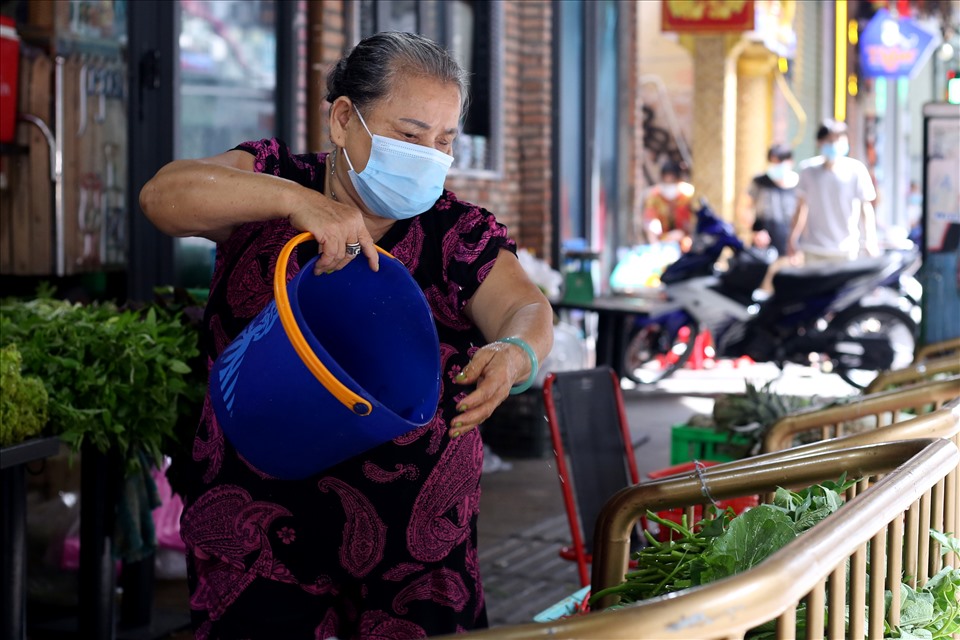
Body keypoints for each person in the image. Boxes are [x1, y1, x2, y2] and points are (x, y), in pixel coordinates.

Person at [140, 31, 554, 639]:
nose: (428, 155)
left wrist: (514, 355)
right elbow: (162, 195)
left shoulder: (457, 232)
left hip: (416, 548)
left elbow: (526, 308)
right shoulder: (274, 178)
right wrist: (294, 202)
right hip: (256, 525)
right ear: (342, 119)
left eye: (444, 141)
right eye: (410, 135)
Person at [787, 119, 879, 265]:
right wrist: (792, 238)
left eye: (839, 140)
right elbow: (800, 208)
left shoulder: (856, 170)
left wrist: (870, 240)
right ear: (819, 142)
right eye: (829, 140)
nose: (834, 145)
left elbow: (865, 208)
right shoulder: (808, 171)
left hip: (846, 249)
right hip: (814, 248)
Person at [737, 143, 798, 256]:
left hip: (788, 240)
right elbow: (743, 207)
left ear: (790, 162)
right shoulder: (760, 182)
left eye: (779, 162)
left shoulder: (797, 184)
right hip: (763, 241)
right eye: (773, 162)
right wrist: (754, 232)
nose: (776, 166)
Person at [639, 160, 696, 251]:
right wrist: (655, 244)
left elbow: (694, 221)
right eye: (666, 180)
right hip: (662, 241)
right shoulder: (654, 196)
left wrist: (684, 235)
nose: (669, 184)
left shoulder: (688, 194)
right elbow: (649, 220)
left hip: (686, 241)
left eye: (672, 181)